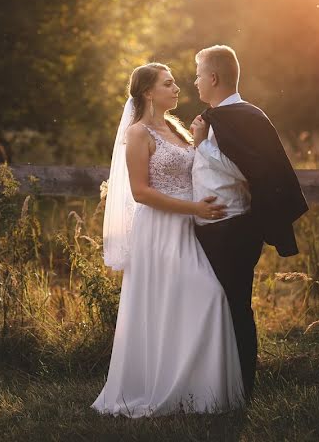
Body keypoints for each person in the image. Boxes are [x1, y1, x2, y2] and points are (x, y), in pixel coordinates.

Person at [90, 62, 245, 418]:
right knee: (205, 296)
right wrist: (194, 208)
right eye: (169, 84)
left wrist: (201, 141)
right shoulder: (138, 134)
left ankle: (199, 395)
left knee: (193, 302)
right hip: (159, 229)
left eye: (175, 83)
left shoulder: (175, 127)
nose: (178, 89)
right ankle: (164, 389)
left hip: (187, 229)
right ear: (148, 92)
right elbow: (141, 192)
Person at [190, 45, 309, 402]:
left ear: (213, 77)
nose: (194, 82)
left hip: (233, 229)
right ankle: (214, 383)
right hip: (208, 228)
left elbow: (252, 172)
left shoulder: (247, 117)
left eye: (198, 75)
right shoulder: (214, 119)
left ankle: (240, 388)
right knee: (212, 307)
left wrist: (202, 147)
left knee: (235, 306)